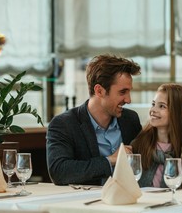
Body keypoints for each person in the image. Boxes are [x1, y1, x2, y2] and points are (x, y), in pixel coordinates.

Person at [46, 54, 142, 186]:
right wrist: (110, 160)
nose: (128, 100)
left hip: (129, 200)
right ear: (99, 91)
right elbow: (59, 171)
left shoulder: (130, 120)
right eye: (122, 92)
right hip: (86, 203)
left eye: (129, 92)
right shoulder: (64, 124)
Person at [131, 84, 182, 188]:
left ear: (177, 111)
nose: (153, 110)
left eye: (162, 106)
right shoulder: (139, 143)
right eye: (153, 104)